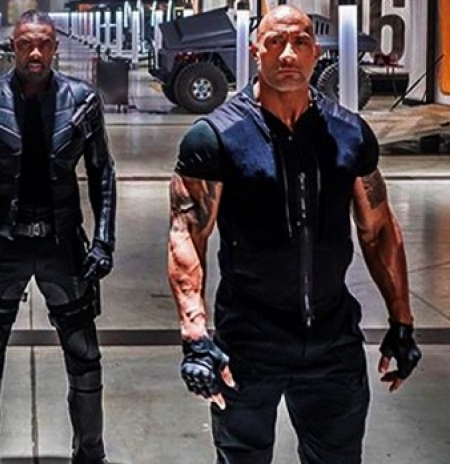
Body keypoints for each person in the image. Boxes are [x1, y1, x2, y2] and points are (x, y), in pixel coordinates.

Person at [167, 5, 422, 464]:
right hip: (248, 343)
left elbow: (378, 230)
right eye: (275, 42)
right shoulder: (215, 136)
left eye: (300, 42)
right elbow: (187, 235)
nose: (288, 54)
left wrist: (401, 320)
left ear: (315, 52)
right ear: (255, 50)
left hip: (333, 342)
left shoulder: (349, 133)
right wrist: (195, 333)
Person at [0, 10, 116, 464]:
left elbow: (102, 171)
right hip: (4, 243)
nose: (35, 52)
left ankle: (91, 452)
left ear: (55, 47)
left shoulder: (82, 99)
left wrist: (104, 241)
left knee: (84, 352)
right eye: (26, 44)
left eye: (43, 44)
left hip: (64, 243)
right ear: (14, 47)